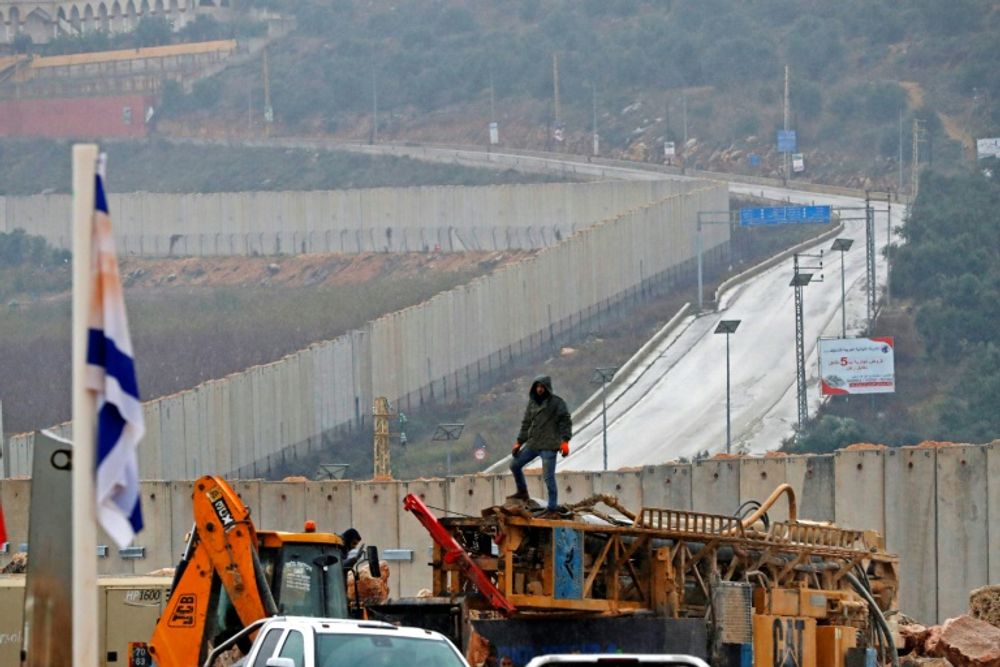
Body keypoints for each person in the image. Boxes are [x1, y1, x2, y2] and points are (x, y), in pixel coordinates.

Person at [508, 375, 572, 517]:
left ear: (547, 388)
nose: (539, 389)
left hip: (549, 445)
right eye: (537, 387)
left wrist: (565, 441)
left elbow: (565, 422)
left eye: (542, 387)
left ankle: (552, 508)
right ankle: (522, 491)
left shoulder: (557, 403)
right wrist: (520, 441)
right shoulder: (532, 403)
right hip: (534, 443)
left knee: (548, 477)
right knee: (514, 465)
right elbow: (526, 423)